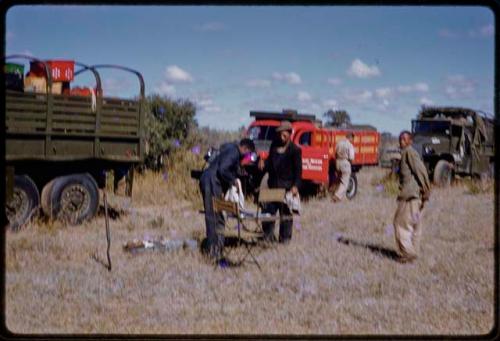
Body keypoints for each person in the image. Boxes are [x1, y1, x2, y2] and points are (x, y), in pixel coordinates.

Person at [199, 138, 256, 263]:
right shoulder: (234, 152)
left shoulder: (229, 148)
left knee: (217, 215)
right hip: (211, 182)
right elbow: (223, 169)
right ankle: (213, 250)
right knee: (213, 215)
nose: (247, 156)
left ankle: (217, 248)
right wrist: (233, 181)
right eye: (248, 153)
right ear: (245, 149)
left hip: (211, 181)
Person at [258, 120, 302, 243]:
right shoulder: (274, 146)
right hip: (272, 186)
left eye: (284, 134)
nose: (281, 137)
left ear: (290, 134)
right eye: (280, 134)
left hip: (287, 188)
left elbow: (299, 172)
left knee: (286, 215)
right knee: (268, 213)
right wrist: (263, 163)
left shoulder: (295, 150)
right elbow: (269, 164)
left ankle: (285, 239)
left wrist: (296, 186)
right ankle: (267, 237)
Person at [393, 130, 431, 263]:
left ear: (410, 141)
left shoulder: (409, 152)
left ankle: (408, 253)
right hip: (415, 198)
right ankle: (414, 251)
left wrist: (426, 189)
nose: (401, 141)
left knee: (400, 224)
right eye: (400, 139)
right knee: (415, 225)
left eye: (404, 139)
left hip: (410, 197)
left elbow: (420, 170)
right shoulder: (406, 153)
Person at [332, 132, 355, 202]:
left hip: (338, 162)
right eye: (352, 139)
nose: (352, 140)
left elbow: (335, 153)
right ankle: (337, 196)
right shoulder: (349, 145)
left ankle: (338, 195)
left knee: (339, 180)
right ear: (350, 137)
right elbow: (351, 157)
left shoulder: (339, 143)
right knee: (345, 182)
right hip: (345, 162)